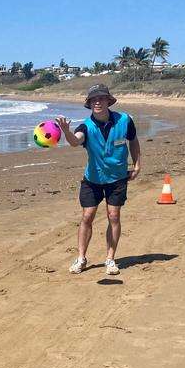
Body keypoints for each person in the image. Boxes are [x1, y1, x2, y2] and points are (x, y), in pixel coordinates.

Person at [56, 84, 141, 276]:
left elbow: (133, 141)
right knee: (87, 216)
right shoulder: (86, 126)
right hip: (93, 179)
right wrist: (66, 131)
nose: (97, 102)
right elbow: (75, 141)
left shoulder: (125, 120)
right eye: (93, 99)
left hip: (117, 178)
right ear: (89, 104)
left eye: (101, 98)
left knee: (114, 216)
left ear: (108, 101)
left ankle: (110, 259)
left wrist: (137, 164)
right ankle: (81, 259)